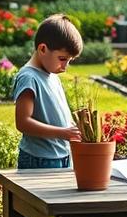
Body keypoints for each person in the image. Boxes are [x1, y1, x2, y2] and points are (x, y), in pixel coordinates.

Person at [12, 14, 83, 169]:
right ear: (43, 49)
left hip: (62, 155)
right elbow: (23, 123)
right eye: (62, 59)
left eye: (69, 61)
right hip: (39, 159)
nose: (64, 67)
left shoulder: (51, 75)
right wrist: (63, 133)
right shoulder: (28, 77)